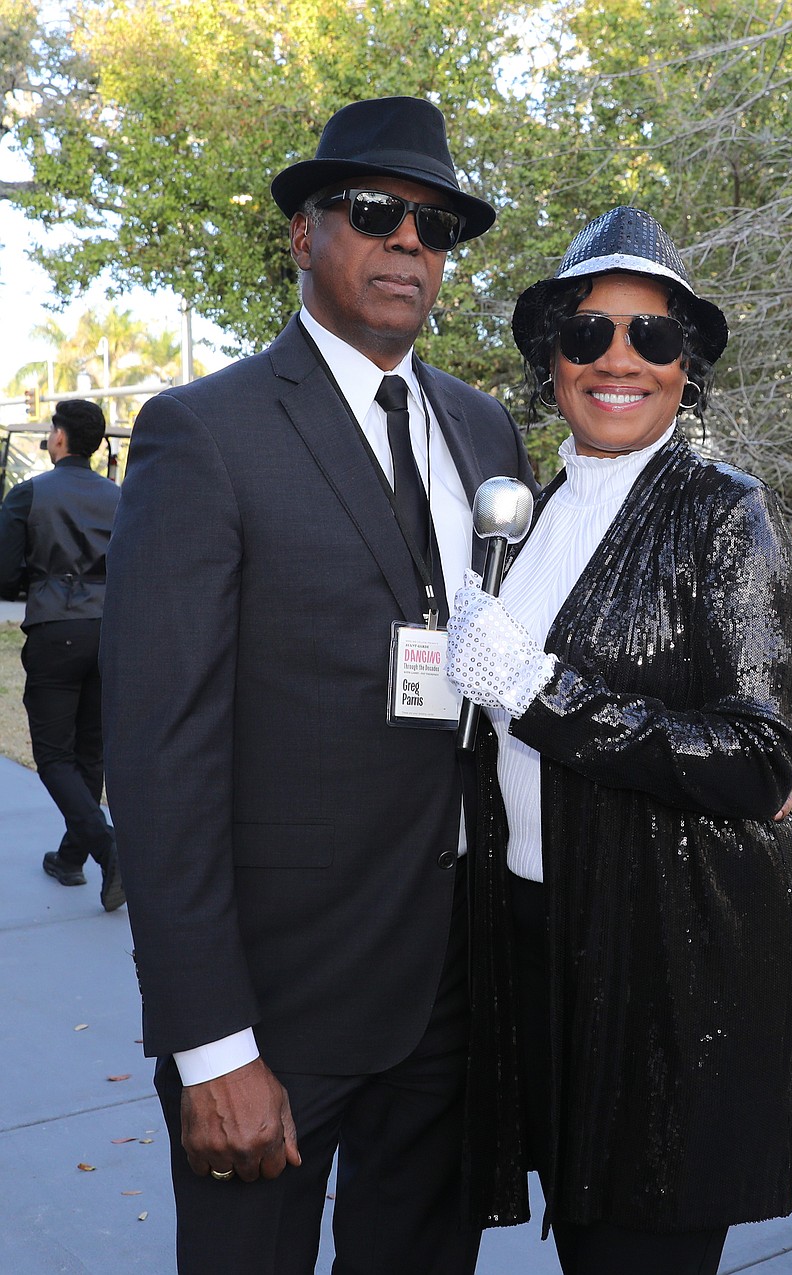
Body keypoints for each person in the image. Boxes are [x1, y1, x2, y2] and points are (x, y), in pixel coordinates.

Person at [99, 96, 535, 1275]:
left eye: (434, 225)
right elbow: (156, 753)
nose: (409, 242)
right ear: (305, 235)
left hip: (451, 983)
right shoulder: (204, 432)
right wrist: (209, 1046)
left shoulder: (486, 432)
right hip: (275, 1008)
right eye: (375, 212)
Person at [446, 206, 792, 1275]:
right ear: (550, 357)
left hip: (669, 960)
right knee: (584, 1236)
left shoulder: (723, 512)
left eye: (653, 337)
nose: (619, 359)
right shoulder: (534, 508)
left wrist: (539, 691)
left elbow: (757, 761)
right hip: (533, 936)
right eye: (588, 332)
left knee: (635, 1250)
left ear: (685, 368)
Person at [0, 398, 124, 912]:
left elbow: (5, 575)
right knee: (90, 752)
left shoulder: (29, 494)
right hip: (109, 631)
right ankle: (71, 858)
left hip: (56, 628)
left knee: (52, 755)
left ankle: (106, 848)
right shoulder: (123, 498)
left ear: (59, 437)